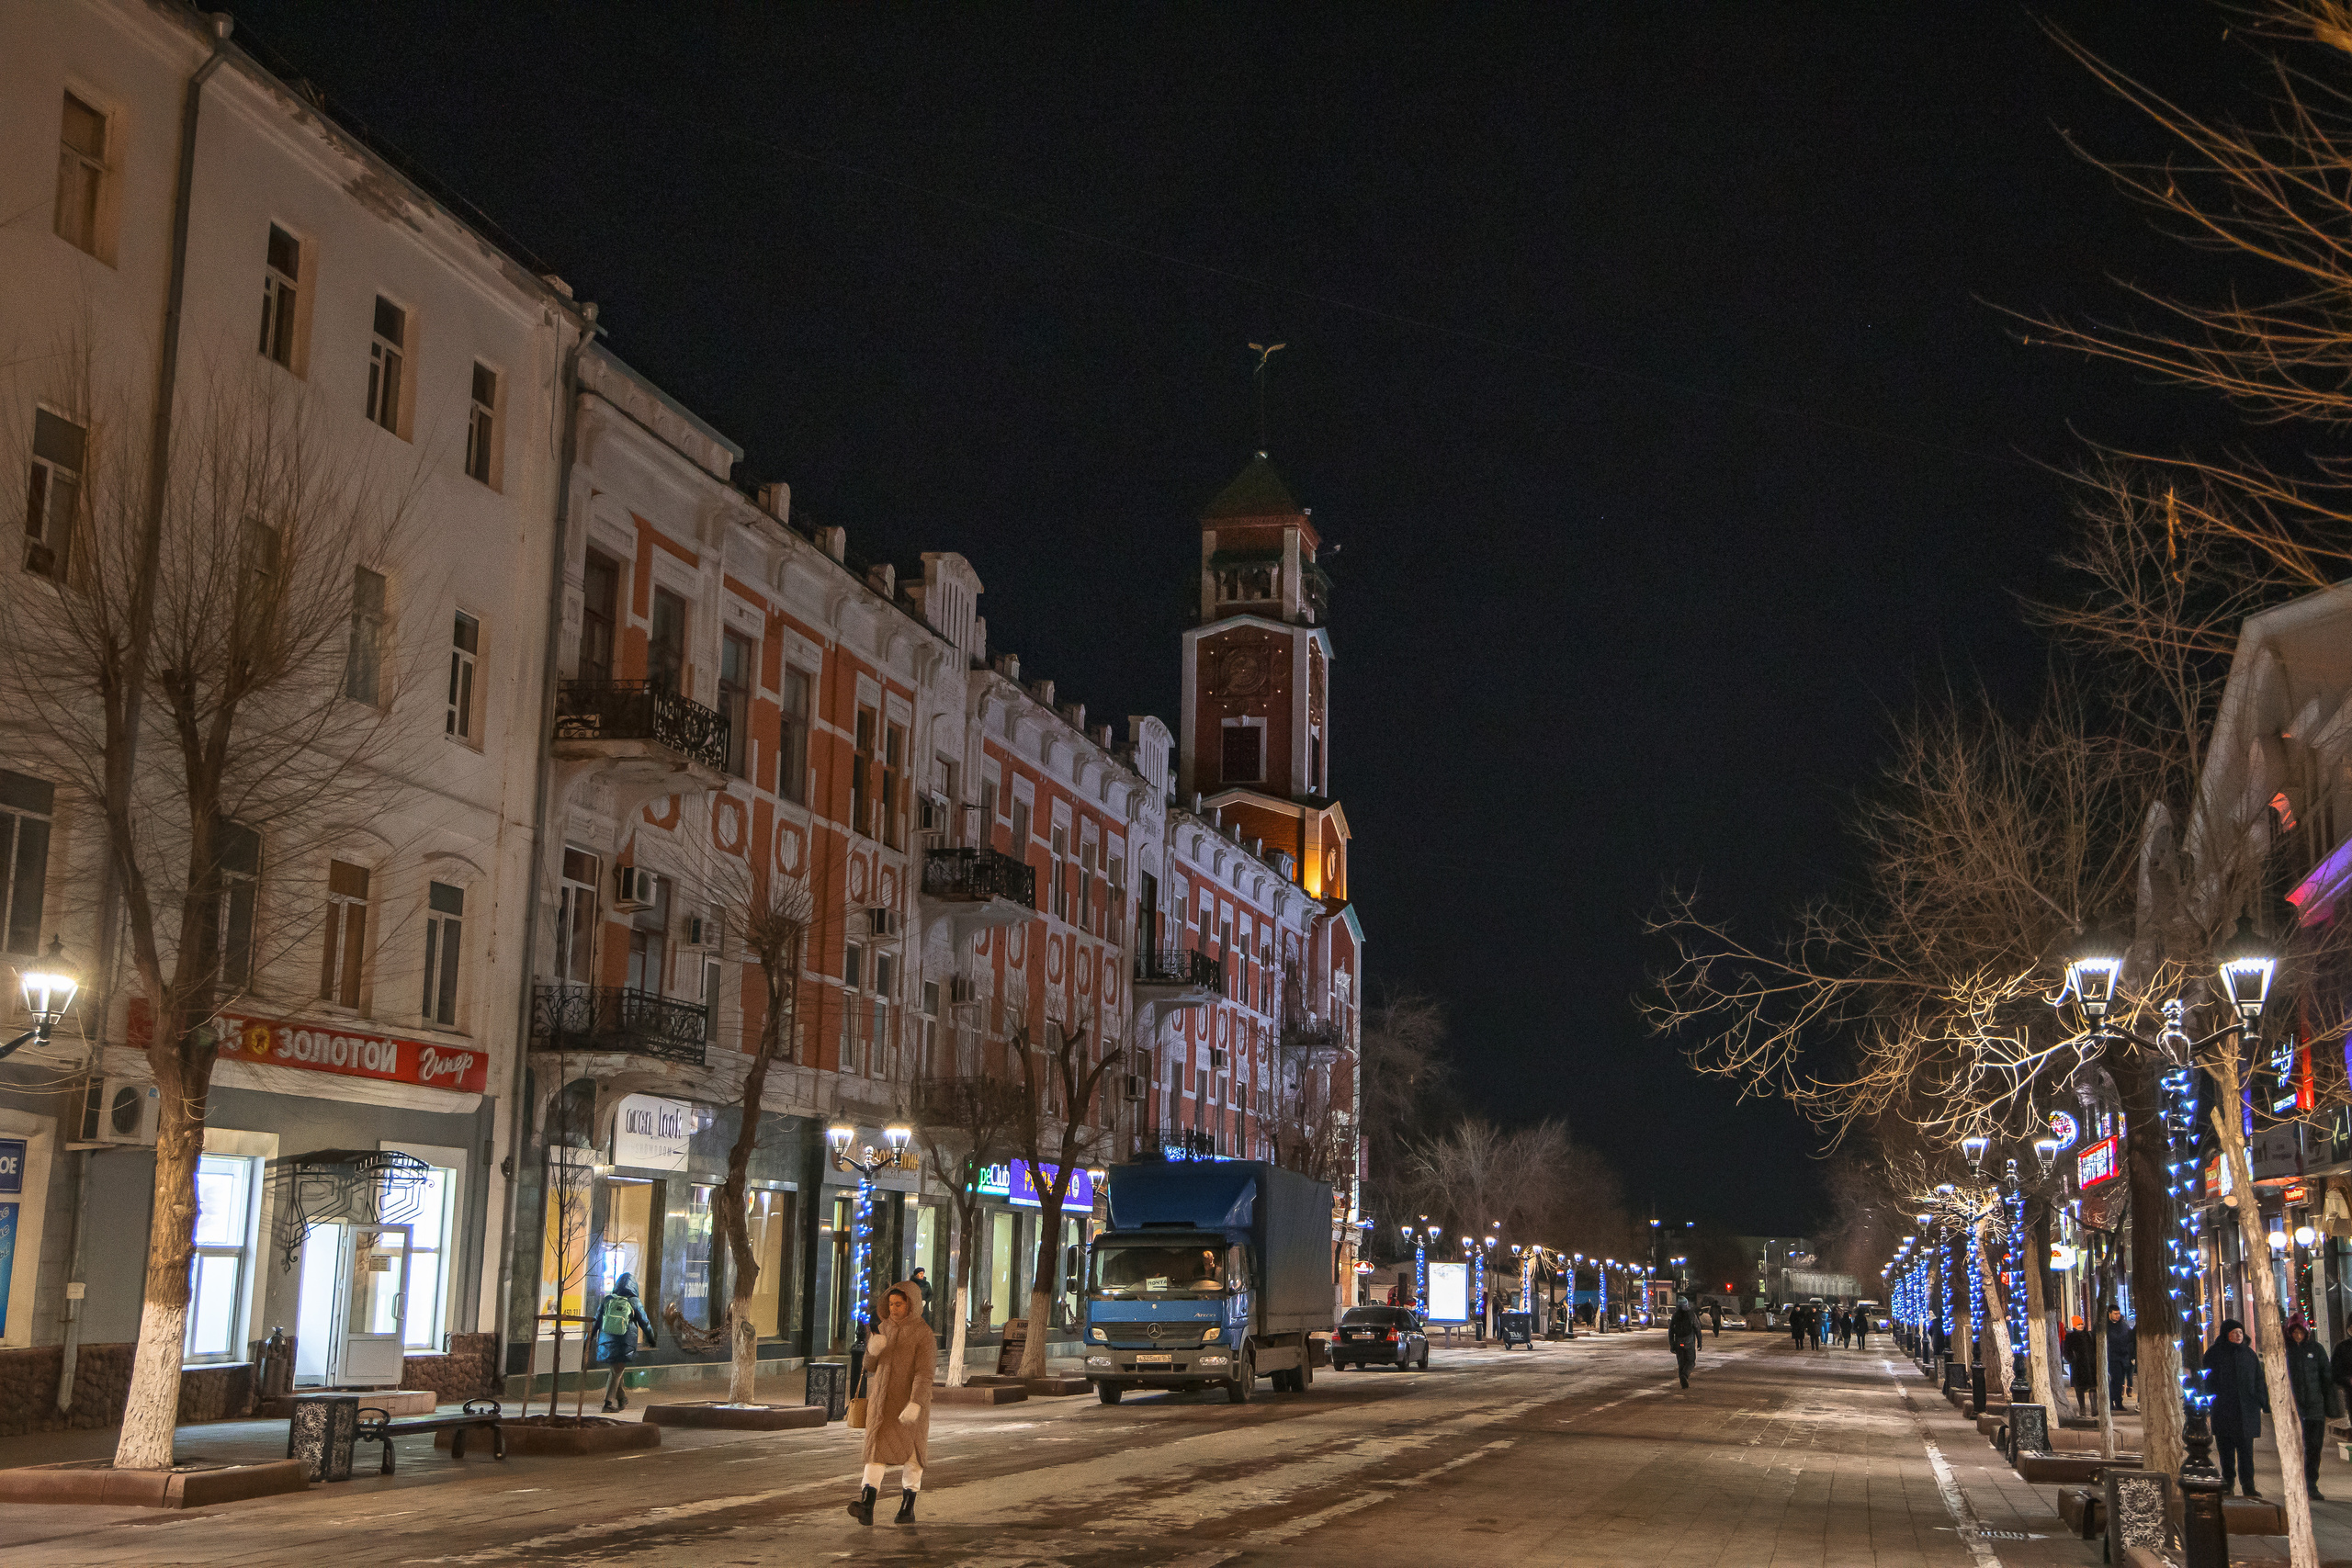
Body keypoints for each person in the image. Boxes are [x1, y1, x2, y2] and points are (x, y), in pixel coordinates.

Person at [847, 1282, 935, 1526]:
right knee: (875, 1453)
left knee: (912, 1455)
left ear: (911, 1304)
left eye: (899, 1304)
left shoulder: (923, 1334)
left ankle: (907, 1508)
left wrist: (916, 1403)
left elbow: (925, 1373)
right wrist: (872, 1351)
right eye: (891, 1304)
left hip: (909, 1404)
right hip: (882, 1404)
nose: (893, 1309)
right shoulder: (883, 1328)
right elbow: (869, 1366)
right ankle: (867, 1505)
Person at [2202, 1319, 2271, 1499]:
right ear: (2226, 1335)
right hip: (2224, 1410)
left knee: (2246, 1452)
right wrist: (2209, 1402)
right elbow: (2207, 1381)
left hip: (2246, 1412)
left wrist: (2263, 1401)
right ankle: (2227, 1484)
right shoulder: (2214, 1354)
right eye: (2234, 1333)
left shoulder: (2249, 1354)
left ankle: (2249, 1486)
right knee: (2226, 1452)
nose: (2238, 1335)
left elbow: (2259, 1380)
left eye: (2240, 1332)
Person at [2286, 1316, 2342, 1501]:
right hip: (2294, 1408)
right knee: (2294, 1447)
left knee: (2314, 1448)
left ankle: (2311, 1484)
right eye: (2294, 1332)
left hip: (2315, 1407)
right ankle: (2296, 1483)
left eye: (2300, 1332)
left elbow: (2327, 1379)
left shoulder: (2316, 1350)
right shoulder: (2286, 1351)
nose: (2297, 1335)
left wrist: (2331, 1408)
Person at [594, 1272, 657, 1413]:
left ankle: (621, 1398)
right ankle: (608, 1404)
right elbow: (645, 1323)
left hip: (606, 1341)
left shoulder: (607, 1300)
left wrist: (589, 1338)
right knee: (617, 1371)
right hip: (624, 1342)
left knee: (616, 1370)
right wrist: (651, 1339)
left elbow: (596, 1321)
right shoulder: (634, 1302)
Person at [2063, 1316, 2097, 1419]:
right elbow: (2066, 1351)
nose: (2081, 1326)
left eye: (2081, 1324)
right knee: (2079, 1388)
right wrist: (2073, 1359)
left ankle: (2094, 1408)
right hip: (2078, 1367)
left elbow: (2094, 1348)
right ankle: (2082, 1408)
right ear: (2074, 1325)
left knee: (2093, 1387)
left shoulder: (2089, 1335)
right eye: (2078, 1324)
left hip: (2090, 1366)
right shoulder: (2070, 1337)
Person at [2105, 1307, 2136, 1415]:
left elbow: (2130, 1338)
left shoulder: (2123, 1326)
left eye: (2118, 1313)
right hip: (2112, 1357)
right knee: (2114, 1380)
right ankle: (2111, 1401)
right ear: (2109, 1314)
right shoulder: (2105, 1327)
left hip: (2123, 1358)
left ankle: (2118, 1402)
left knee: (2120, 1381)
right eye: (2115, 1313)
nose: (2117, 1316)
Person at [1668, 1294, 1702, 1388]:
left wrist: (1672, 1344)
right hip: (1689, 1342)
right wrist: (1699, 1342)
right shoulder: (1691, 1315)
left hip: (1678, 1342)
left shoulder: (1675, 1315)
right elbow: (1697, 1328)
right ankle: (1685, 1375)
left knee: (1681, 1363)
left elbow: (1671, 1330)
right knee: (1691, 1361)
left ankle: (1682, 1380)